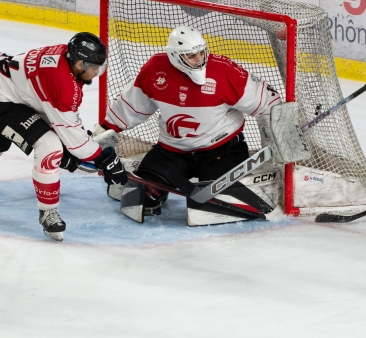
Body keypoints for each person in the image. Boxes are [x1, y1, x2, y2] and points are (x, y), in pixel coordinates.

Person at [0, 32, 128, 241]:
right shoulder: (63, 85)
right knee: (51, 145)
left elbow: (60, 119)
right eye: (94, 67)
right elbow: (77, 145)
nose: (97, 72)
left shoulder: (66, 55)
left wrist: (77, 145)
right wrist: (106, 159)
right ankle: (48, 212)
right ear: (80, 64)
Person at [99, 25, 282, 218]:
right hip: (172, 152)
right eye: (191, 56)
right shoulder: (155, 70)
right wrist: (100, 137)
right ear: (175, 56)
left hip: (221, 151)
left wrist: (281, 134)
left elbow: (269, 102)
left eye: (202, 53)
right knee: (139, 200)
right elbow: (129, 107)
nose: (200, 59)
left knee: (216, 208)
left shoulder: (224, 72)